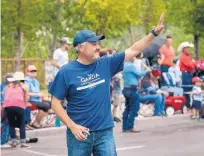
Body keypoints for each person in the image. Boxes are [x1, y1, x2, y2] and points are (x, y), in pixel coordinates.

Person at [49, 13, 164, 156]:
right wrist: (72, 126)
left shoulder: (106, 63)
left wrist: (154, 33)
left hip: (104, 132)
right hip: (79, 134)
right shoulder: (66, 72)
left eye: (98, 43)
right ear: (80, 47)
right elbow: (55, 103)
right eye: (93, 44)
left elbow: (134, 49)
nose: (98, 47)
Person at [122, 57, 150, 132]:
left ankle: (124, 127)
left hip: (126, 88)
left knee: (127, 108)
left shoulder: (124, 65)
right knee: (134, 108)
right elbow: (140, 74)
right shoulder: (131, 66)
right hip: (132, 89)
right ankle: (130, 127)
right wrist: (146, 69)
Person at [3, 72, 30, 148]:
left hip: (8, 106)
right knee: (22, 124)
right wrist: (24, 105)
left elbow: (6, 96)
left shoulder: (7, 86)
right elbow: (26, 97)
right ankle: (22, 142)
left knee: (11, 124)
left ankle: (14, 141)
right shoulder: (24, 86)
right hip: (19, 106)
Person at [178, 42, 195, 109]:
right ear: (184, 49)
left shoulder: (188, 56)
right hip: (186, 74)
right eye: (187, 48)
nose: (188, 49)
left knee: (189, 89)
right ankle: (186, 105)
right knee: (186, 89)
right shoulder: (183, 56)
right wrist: (193, 63)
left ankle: (188, 104)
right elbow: (190, 65)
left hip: (189, 73)